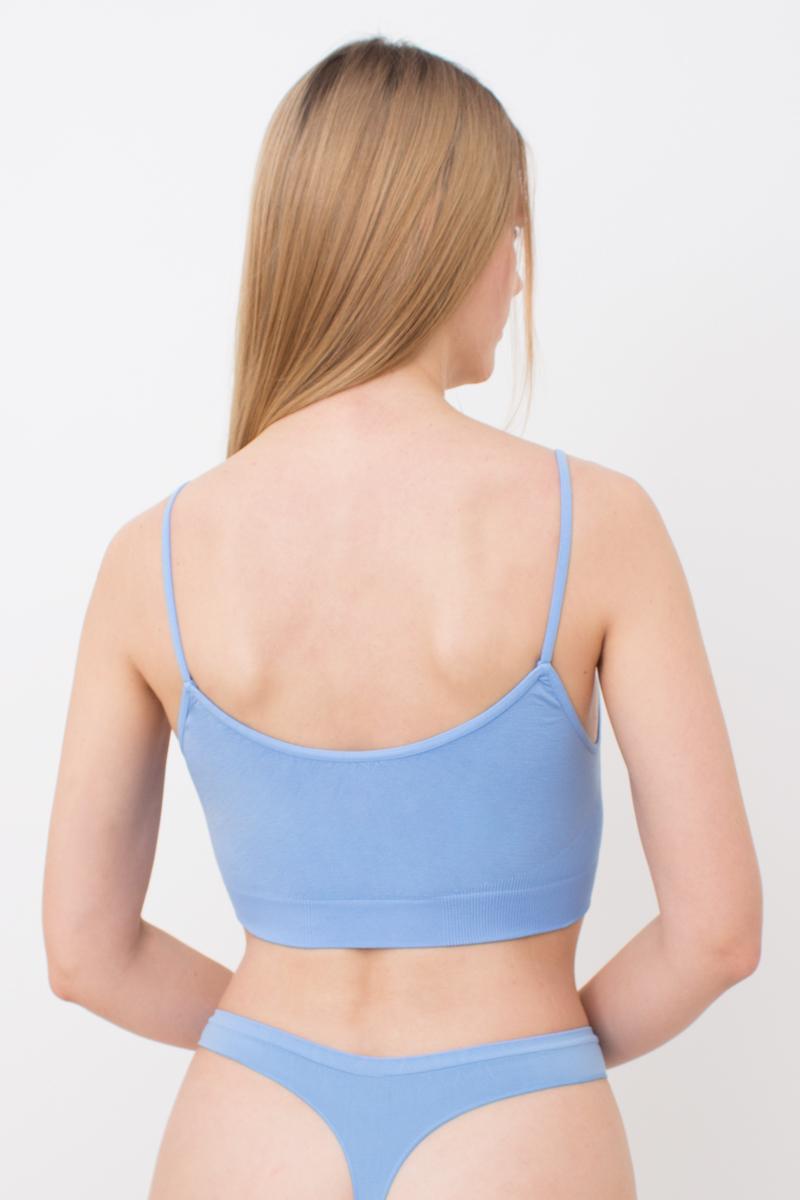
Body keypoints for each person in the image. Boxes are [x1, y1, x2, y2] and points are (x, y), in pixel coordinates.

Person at [42, 35, 762, 1200]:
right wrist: (537, 1055)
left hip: (247, 1124)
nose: (515, 278)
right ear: (442, 238)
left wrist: (271, 1043)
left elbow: (85, 952)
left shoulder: (152, 555)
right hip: (516, 1123)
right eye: (508, 235)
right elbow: (717, 933)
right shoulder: (597, 523)